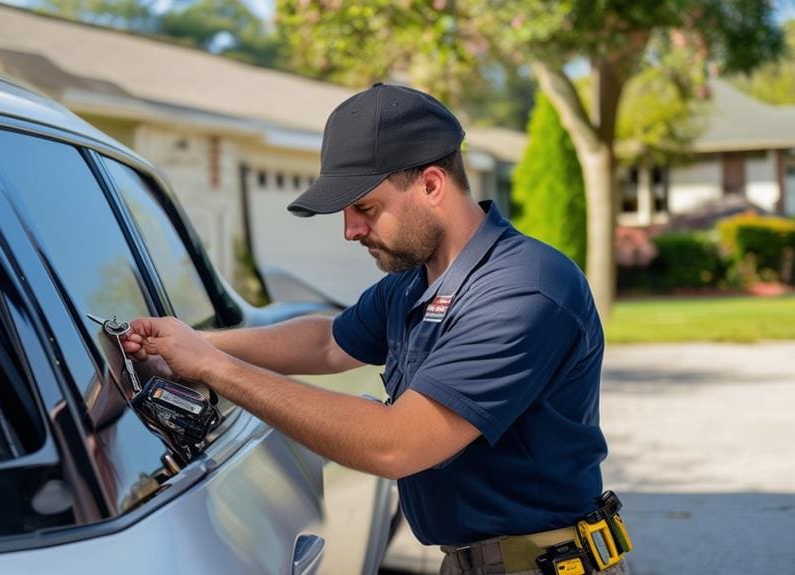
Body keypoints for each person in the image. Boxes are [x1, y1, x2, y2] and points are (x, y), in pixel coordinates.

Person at [123, 83, 629, 575]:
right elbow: (328, 342)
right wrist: (189, 347)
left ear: (431, 185)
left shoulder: (523, 292)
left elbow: (396, 444)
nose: (350, 230)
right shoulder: (415, 280)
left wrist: (215, 368)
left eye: (364, 207)